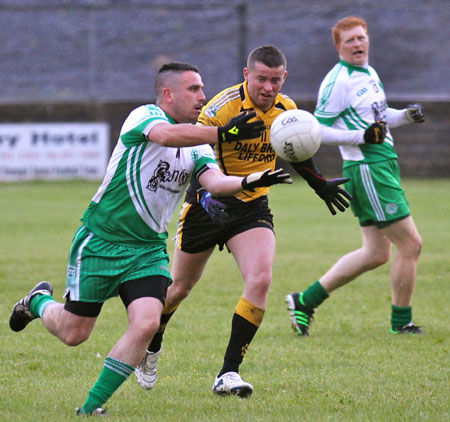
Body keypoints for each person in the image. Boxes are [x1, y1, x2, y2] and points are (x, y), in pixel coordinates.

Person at [8, 62, 294, 416]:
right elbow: (165, 136)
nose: (202, 96)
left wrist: (251, 181)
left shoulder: (198, 143)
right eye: (194, 89)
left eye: (202, 89)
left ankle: (90, 408)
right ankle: (37, 302)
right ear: (168, 93)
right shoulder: (144, 116)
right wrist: (223, 134)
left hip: (147, 251)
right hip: (101, 241)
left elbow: (216, 183)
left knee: (146, 323)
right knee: (74, 332)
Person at [135, 45, 352, 397]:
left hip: (252, 207)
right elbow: (193, 153)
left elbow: (293, 150)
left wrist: (319, 183)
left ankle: (229, 373)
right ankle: (153, 338)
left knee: (261, 279)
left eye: (276, 80)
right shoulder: (221, 108)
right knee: (178, 288)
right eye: (262, 79)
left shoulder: (287, 110)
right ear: (247, 74)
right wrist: (206, 195)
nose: (269, 87)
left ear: (284, 78)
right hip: (207, 204)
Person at [285, 16, 425, 337]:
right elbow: (317, 129)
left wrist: (404, 116)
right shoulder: (338, 82)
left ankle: (305, 301)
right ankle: (401, 322)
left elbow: (378, 117)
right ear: (338, 47)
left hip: (382, 163)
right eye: (349, 40)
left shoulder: (369, 73)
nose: (357, 44)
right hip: (368, 168)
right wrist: (361, 137)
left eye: (361, 38)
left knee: (376, 253)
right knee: (411, 244)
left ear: (368, 40)